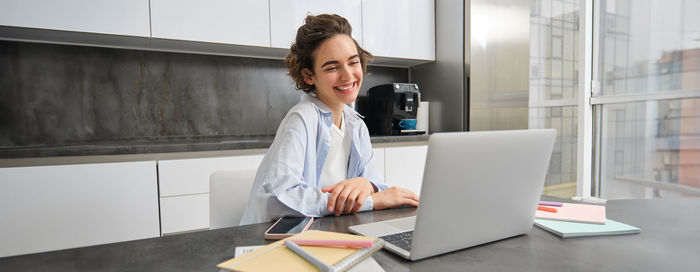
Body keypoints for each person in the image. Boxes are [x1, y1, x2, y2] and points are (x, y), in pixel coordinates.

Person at [240, 14, 419, 225]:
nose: (347, 75)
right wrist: (372, 200)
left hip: (329, 232)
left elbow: (374, 182)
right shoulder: (302, 118)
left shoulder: (356, 124)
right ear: (309, 76)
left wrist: (367, 185)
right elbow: (281, 201)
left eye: (353, 62)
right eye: (332, 67)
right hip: (272, 242)